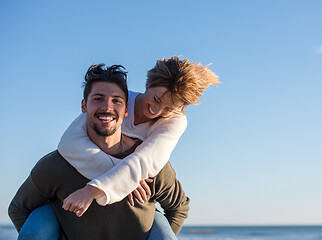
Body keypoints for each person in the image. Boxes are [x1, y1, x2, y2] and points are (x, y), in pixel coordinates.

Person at [8, 64, 190, 240]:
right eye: (98, 99)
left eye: (116, 101)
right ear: (83, 106)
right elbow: (18, 208)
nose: (107, 107)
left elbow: (179, 208)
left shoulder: (151, 167)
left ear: (127, 109)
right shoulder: (57, 164)